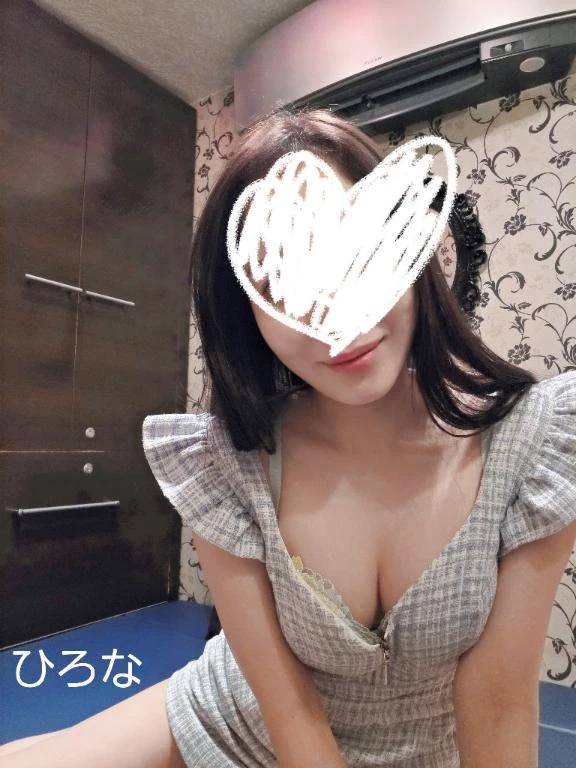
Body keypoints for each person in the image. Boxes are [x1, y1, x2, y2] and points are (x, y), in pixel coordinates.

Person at [2, 106, 575, 768]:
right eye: (281, 281)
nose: (334, 317)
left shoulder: (534, 444)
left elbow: (497, 701)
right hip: (246, 720)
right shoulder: (227, 460)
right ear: (246, 312)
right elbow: (288, 710)